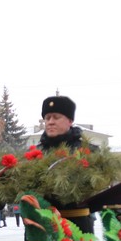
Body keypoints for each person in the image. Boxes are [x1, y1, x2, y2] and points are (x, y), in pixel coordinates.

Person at [37, 95, 97, 233]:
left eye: (56, 117)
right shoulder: (34, 154)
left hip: (77, 227)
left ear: (70, 120)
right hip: (42, 229)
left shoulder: (89, 151)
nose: (50, 122)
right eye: (47, 118)